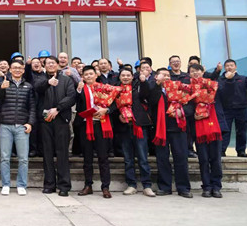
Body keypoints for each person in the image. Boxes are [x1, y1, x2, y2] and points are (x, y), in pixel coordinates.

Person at [34, 56, 76, 196]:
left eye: (53, 63)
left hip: (61, 120)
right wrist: (48, 83)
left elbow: (71, 97)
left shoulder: (66, 80)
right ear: (44, 65)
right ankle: (49, 184)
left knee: (62, 153)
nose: (51, 65)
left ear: (58, 65)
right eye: (48, 63)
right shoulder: (40, 79)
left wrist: (58, 109)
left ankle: (64, 186)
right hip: (45, 121)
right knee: (47, 153)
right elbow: (37, 88)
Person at [149, 68, 193, 198]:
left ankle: (183, 188)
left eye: (168, 75)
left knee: (181, 158)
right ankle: (165, 187)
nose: (166, 77)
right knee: (162, 159)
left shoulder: (180, 89)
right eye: (163, 75)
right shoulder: (154, 90)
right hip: (160, 129)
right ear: (157, 77)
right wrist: (157, 85)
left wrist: (182, 112)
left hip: (178, 129)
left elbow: (190, 105)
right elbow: (151, 102)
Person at [0, 60, 35, 196]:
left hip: (22, 126)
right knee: (4, 157)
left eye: (20, 68)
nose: (17, 70)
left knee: (23, 158)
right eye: (15, 68)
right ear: (10, 70)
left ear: (23, 70)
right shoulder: (4, 83)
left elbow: (32, 107)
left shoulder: (28, 86)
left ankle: (21, 184)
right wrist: (1, 88)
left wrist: (30, 123)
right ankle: (5, 184)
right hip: (6, 125)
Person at [114, 67, 155, 197]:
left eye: (128, 75)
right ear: (119, 77)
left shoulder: (138, 87)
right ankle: (131, 185)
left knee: (143, 158)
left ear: (132, 77)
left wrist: (143, 81)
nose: (125, 77)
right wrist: (118, 117)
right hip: (124, 127)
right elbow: (112, 107)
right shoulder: (116, 90)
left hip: (139, 126)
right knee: (128, 159)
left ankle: (147, 186)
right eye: (123, 75)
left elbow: (146, 95)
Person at [76, 66, 114, 199]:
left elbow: (114, 103)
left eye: (91, 74)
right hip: (86, 126)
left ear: (96, 75)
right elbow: (77, 105)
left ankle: (105, 187)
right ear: (83, 77)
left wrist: (106, 110)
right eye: (86, 74)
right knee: (87, 158)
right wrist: (78, 91)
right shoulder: (81, 89)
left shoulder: (104, 88)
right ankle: (88, 185)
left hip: (101, 125)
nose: (88, 76)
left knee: (103, 158)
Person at [189, 64, 223, 198]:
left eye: (197, 70)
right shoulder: (188, 88)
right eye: (192, 71)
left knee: (216, 159)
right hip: (199, 127)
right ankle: (207, 187)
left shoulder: (211, 84)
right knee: (203, 160)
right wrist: (193, 114)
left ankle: (217, 186)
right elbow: (185, 105)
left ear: (203, 71)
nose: (195, 73)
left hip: (214, 127)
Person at [218, 59, 247, 157]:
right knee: (225, 131)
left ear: (235, 67)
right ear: (224, 68)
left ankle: (241, 150)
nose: (229, 67)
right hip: (226, 109)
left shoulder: (243, 79)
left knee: (241, 131)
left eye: (231, 65)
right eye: (227, 65)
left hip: (241, 108)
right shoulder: (220, 80)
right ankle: (222, 150)